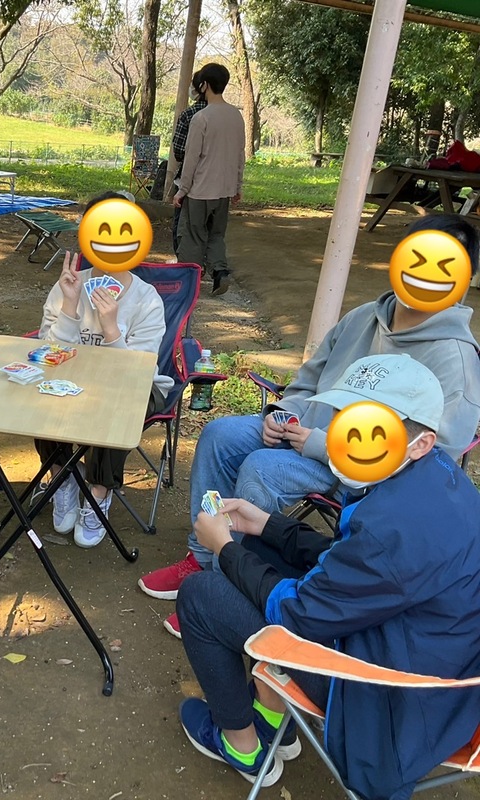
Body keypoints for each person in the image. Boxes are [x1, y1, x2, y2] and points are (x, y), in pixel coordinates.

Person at [140, 214, 480, 637]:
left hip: (362, 469)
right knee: (219, 435)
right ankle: (201, 555)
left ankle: (226, 581)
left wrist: (320, 444)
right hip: (304, 430)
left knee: (262, 468)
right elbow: (310, 380)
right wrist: (282, 414)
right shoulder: (363, 318)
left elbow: (435, 454)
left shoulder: (456, 358)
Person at [175, 354, 480, 800]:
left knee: (201, 595)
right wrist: (267, 525)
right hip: (421, 655)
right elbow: (358, 566)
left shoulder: (392, 527)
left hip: (390, 701)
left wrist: (224, 548)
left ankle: (242, 746)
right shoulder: (436, 475)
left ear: (420, 442)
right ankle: (274, 721)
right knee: (260, 549)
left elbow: (298, 613)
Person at [34, 191, 172, 548]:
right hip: (73, 377)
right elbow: (49, 354)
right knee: (43, 391)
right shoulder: (68, 285)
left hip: (135, 385)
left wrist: (111, 328)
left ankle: (98, 492)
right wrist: (70, 307)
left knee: (118, 403)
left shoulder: (146, 299)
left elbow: (137, 371)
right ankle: (62, 477)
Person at [174, 62, 245, 297]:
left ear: (204, 85)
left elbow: (191, 158)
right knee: (216, 235)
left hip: (200, 190)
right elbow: (240, 154)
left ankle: (189, 281)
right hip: (225, 189)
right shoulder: (236, 116)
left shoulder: (201, 118)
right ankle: (220, 272)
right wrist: (237, 186)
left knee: (193, 235)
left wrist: (182, 190)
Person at [170, 70, 207, 255]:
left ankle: (183, 264)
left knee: (182, 228)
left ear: (202, 86)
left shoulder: (189, 114)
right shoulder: (228, 117)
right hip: (217, 184)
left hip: (189, 181)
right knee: (209, 229)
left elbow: (178, 152)